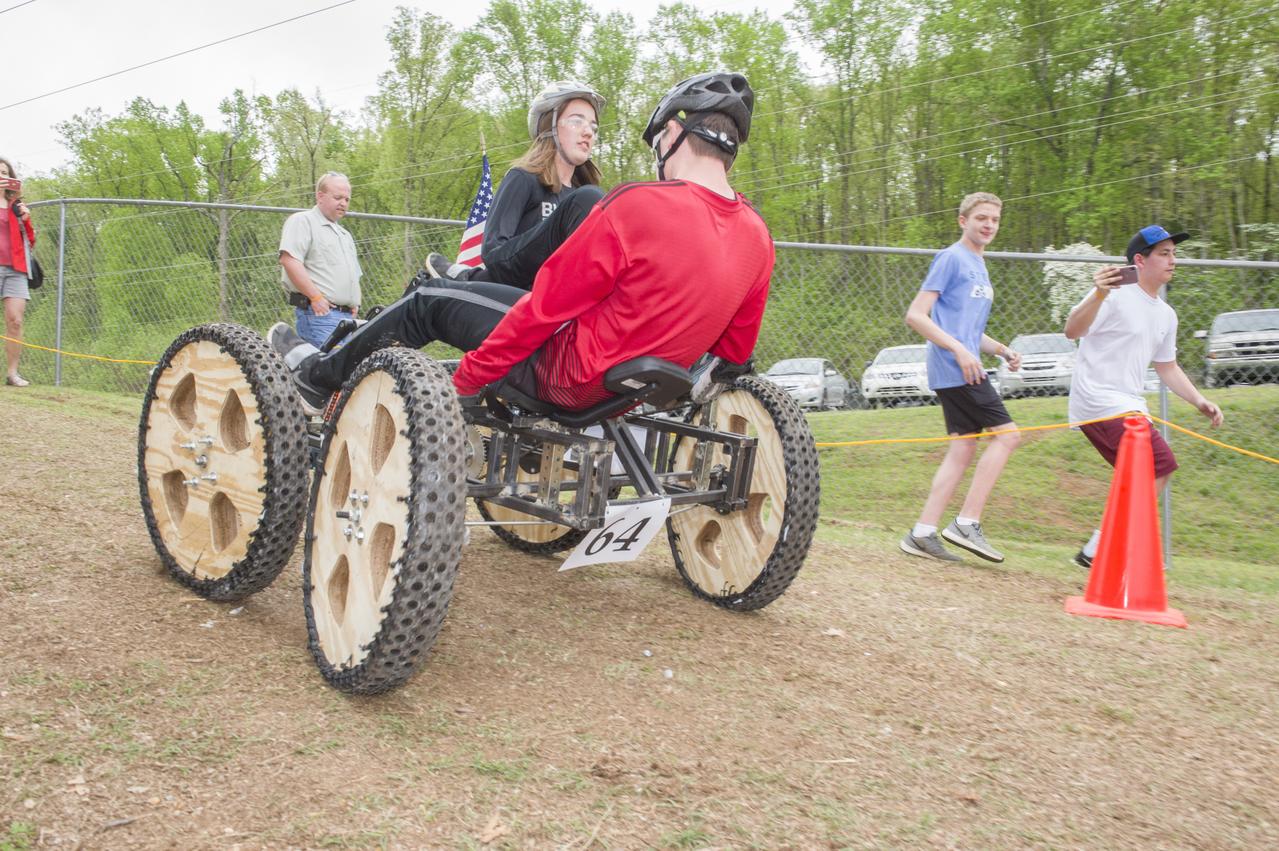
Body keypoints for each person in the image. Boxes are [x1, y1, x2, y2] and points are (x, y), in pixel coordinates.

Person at [271, 71, 769, 419]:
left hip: (563, 373)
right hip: (627, 393)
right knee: (454, 291)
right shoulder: (757, 237)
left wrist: (466, 380)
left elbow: (546, 308)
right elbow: (731, 355)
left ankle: (317, 378)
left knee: (426, 299)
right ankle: (369, 347)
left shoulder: (637, 204)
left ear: (675, 132)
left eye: (658, 139)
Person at [1064, 224, 1223, 569]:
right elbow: (1072, 330)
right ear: (1140, 259)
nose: (1172, 261)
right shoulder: (1113, 294)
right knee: (1159, 464)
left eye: (1174, 254)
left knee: (1156, 470)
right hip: (1099, 402)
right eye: (1164, 254)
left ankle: (1099, 550)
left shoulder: (1166, 314)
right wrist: (1097, 294)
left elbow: (1167, 367)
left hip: (1130, 404)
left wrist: (1199, 400)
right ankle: (1110, 548)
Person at [899, 192, 1023, 564]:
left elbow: (967, 330)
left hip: (962, 365)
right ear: (962, 220)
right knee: (1009, 437)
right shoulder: (951, 258)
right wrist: (960, 351)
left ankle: (922, 533)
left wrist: (1002, 350)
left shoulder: (979, 265)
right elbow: (917, 315)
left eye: (994, 220)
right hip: (956, 368)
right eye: (981, 218)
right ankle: (966, 523)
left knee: (962, 449)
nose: (988, 225)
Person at [425, 80, 606, 290]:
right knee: (588, 198)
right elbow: (494, 253)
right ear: (550, 126)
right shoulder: (523, 178)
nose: (588, 132)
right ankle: (469, 279)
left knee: (594, 199)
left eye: (593, 127)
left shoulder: (584, 199)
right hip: (518, 287)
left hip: (564, 292)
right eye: (577, 121)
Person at [278, 172, 362, 348]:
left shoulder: (344, 235)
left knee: (352, 371)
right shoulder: (303, 221)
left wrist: (354, 304)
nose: (343, 203)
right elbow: (289, 260)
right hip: (320, 316)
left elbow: (354, 275)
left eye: (347, 199)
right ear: (320, 196)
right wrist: (315, 298)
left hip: (348, 320)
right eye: (338, 197)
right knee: (330, 370)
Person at [1, 156, 36, 387]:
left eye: (5, 172)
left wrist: (25, 218)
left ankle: (12, 374)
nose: (2, 176)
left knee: (15, 321)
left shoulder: (16, 206)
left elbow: (30, 241)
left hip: (15, 269)